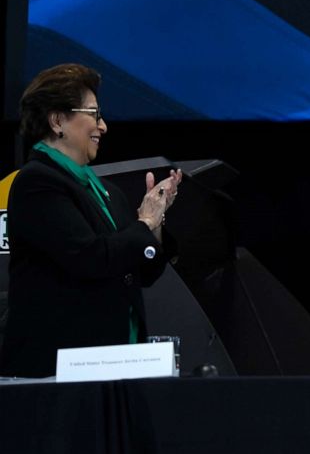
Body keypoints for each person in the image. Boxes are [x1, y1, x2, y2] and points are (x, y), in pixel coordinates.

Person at [0, 64, 182, 377]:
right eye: (94, 114)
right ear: (58, 121)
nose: (104, 126)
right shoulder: (37, 183)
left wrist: (156, 217)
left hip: (116, 362)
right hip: (58, 372)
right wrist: (143, 224)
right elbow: (90, 257)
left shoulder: (106, 191)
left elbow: (145, 270)